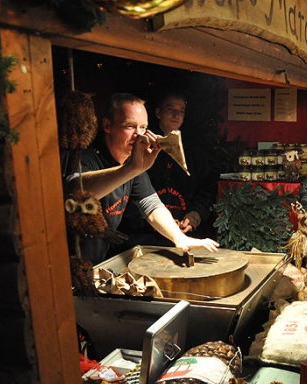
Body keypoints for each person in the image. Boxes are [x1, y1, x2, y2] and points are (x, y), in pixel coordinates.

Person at [65, 93, 218, 264]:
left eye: (143, 127)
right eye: (130, 126)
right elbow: (75, 190)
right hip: (67, 263)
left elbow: (151, 205)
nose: (138, 135)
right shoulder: (87, 158)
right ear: (107, 125)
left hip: (99, 260)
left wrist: (179, 238)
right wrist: (131, 169)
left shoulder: (133, 164)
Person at [114, 92, 218, 250]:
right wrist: (160, 224)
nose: (176, 115)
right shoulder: (140, 149)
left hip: (183, 235)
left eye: (181, 111)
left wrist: (194, 216)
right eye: (170, 109)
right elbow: (136, 200)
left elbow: (206, 190)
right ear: (158, 113)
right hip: (143, 237)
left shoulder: (196, 151)